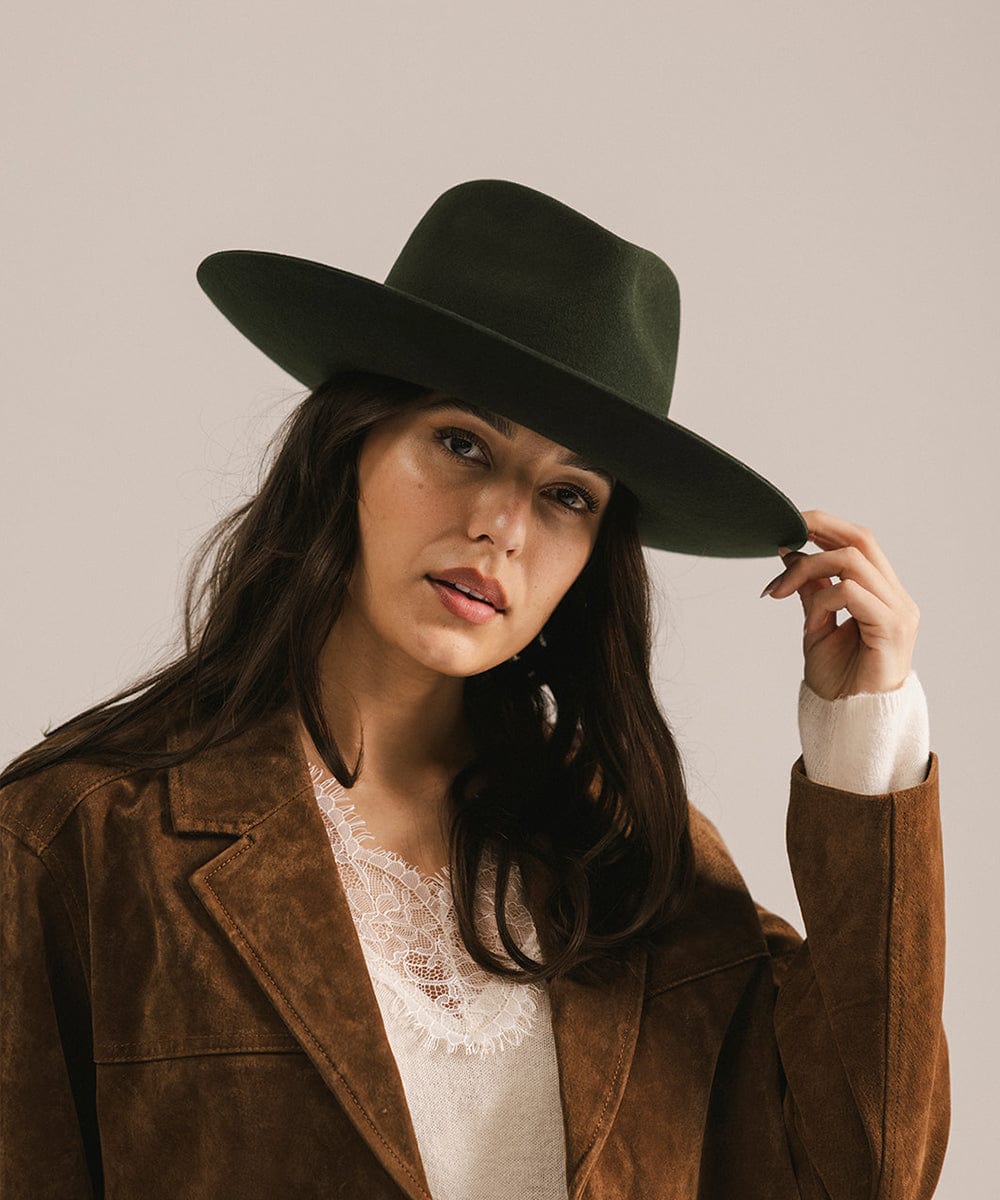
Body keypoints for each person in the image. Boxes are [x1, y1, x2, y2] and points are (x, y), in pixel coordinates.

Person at [0, 180, 948, 1200]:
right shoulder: (78, 840)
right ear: (348, 446)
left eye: (568, 495)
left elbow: (863, 1171)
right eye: (462, 444)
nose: (502, 525)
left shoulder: (629, 859)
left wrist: (864, 744)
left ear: (592, 559)